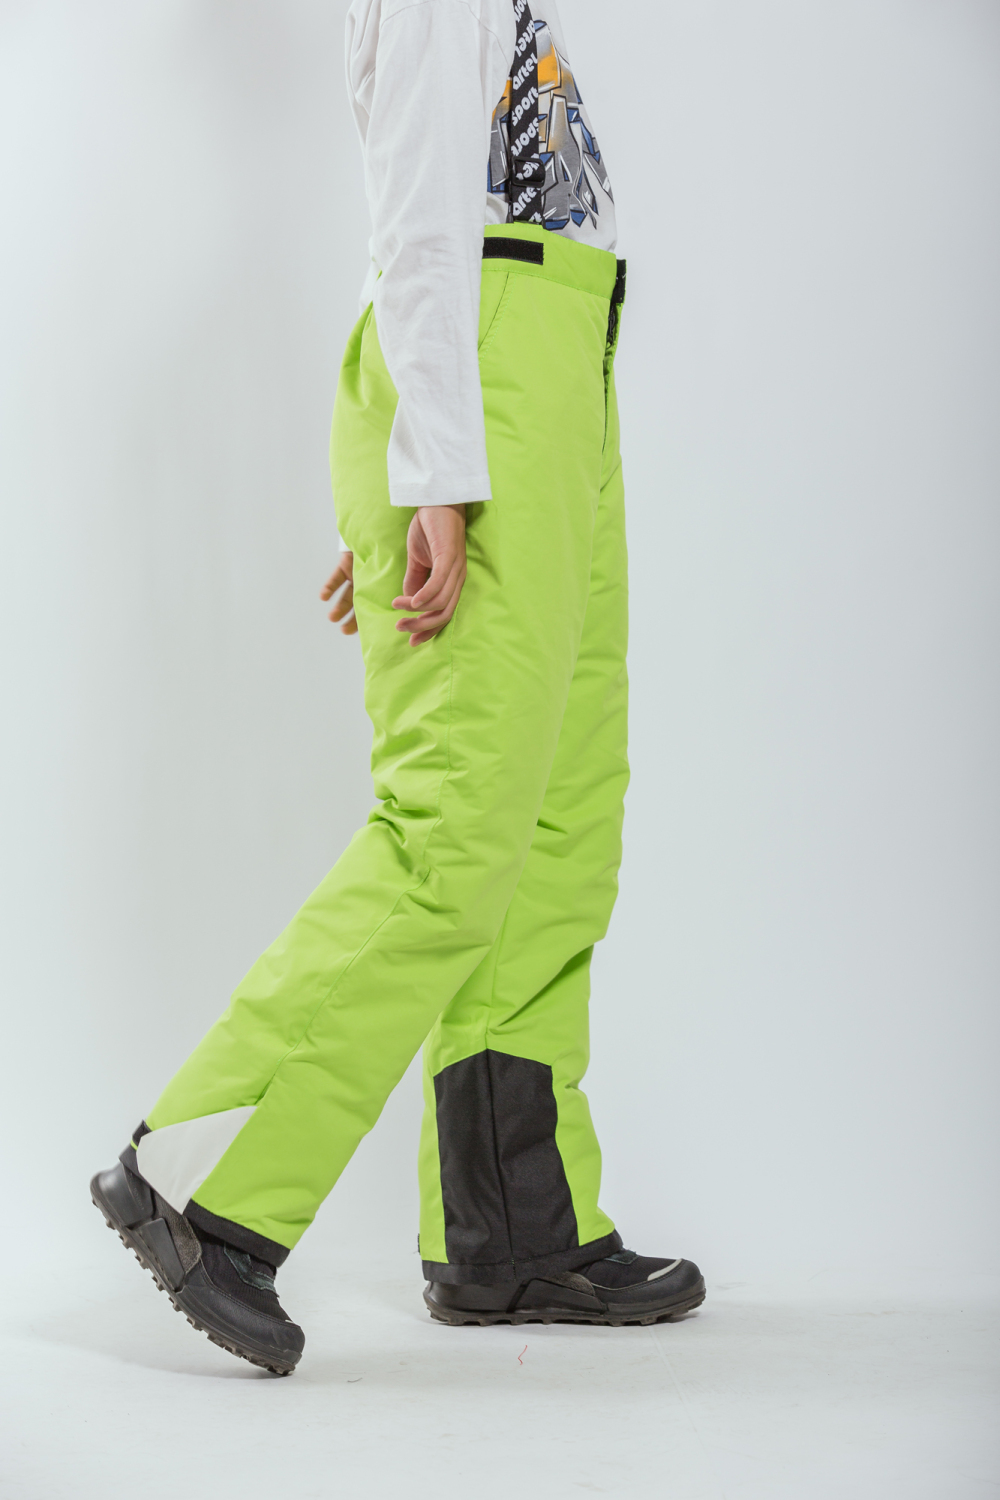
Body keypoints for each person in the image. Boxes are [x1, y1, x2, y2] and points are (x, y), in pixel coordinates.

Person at [90, 0, 704, 1376]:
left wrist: (427, 461)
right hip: (492, 369)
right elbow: (420, 215)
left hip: (548, 380)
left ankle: (517, 1232)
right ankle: (201, 1182)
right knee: (453, 835)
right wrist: (432, 469)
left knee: (556, 830)